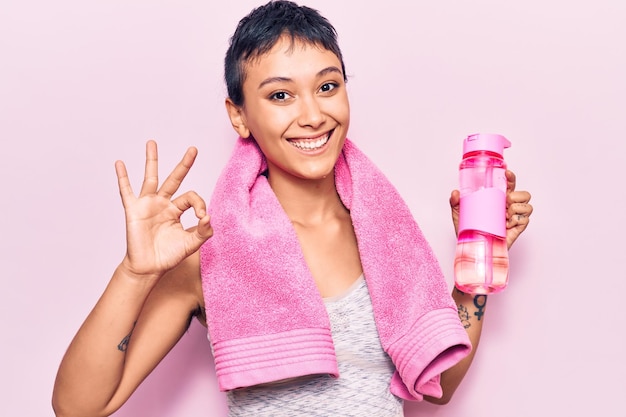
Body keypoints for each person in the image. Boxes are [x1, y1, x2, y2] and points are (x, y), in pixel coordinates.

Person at [51, 1, 533, 416]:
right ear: (238, 115)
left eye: (327, 86)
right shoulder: (212, 252)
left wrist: (479, 265)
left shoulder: (388, 239)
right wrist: (135, 274)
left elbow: (440, 388)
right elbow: (78, 407)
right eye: (280, 95)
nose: (312, 115)